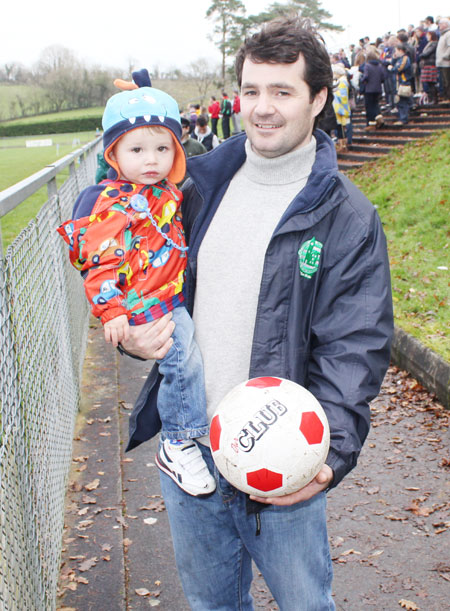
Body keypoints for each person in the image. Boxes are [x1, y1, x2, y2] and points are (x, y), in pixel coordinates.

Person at [120, 17, 393, 610]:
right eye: (251, 90)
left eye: (282, 91)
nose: (262, 108)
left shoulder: (346, 215)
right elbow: (142, 279)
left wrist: (328, 457)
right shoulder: (195, 185)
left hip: (283, 463)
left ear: (319, 99)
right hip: (190, 456)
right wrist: (133, 334)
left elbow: (357, 344)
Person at [58, 69, 215, 498]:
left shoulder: (167, 189)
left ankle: (185, 433)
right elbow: (98, 261)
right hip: (147, 304)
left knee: (187, 360)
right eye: (138, 149)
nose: (151, 159)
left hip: (168, 293)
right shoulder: (110, 201)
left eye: (162, 148)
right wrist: (112, 311)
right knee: (183, 361)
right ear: (114, 152)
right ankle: (180, 440)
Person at [389, 44, 414, 125]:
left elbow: (400, 68)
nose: (395, 53)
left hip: (403, 82)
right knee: (400, 101)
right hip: (398, 83)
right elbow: (394, 64)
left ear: (400, 50)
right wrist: (394, 58)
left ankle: (403, 118)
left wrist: (392, 69)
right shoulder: (399, 59)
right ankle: (403, 115)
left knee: (402, 101)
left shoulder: (405, 58)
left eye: (396, 51)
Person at [361, 46, 385, 128]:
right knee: (376, 104)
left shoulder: (367, 66)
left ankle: (371, 123)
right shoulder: (379, 66)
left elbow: (366, 76)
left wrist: (362, 81)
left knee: (369, 106)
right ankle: (379, 119)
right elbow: (383, 77)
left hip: (369, 89)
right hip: (378, 89)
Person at [332, 63, 353, 150]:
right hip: (338, 106)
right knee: (340, 126)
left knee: (341, 126)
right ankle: (342, 144)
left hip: (340, 107)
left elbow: (343, 96)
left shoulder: (342, 82)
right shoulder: (341, 81)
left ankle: (343, 145)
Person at [418, 30, 439, 104]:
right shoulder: (429, 43)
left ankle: (434, 99)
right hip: (427, 64)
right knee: (428, 83)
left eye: (428, 35)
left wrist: (420, 55)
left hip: (430, 64)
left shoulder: (434, 43)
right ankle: (431, 99)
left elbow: (426, 53)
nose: (427, 37)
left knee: (431, 83)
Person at [436, 18, 450, 101]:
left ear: (445, 24)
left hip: (446, 63)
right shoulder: (442, 35)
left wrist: (445, 56)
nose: (439, 25)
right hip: (441, 63)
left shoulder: (448, 34)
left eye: (441, 24)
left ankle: (448, 97)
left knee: (447, 81)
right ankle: (445, 97)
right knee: (443, 82)